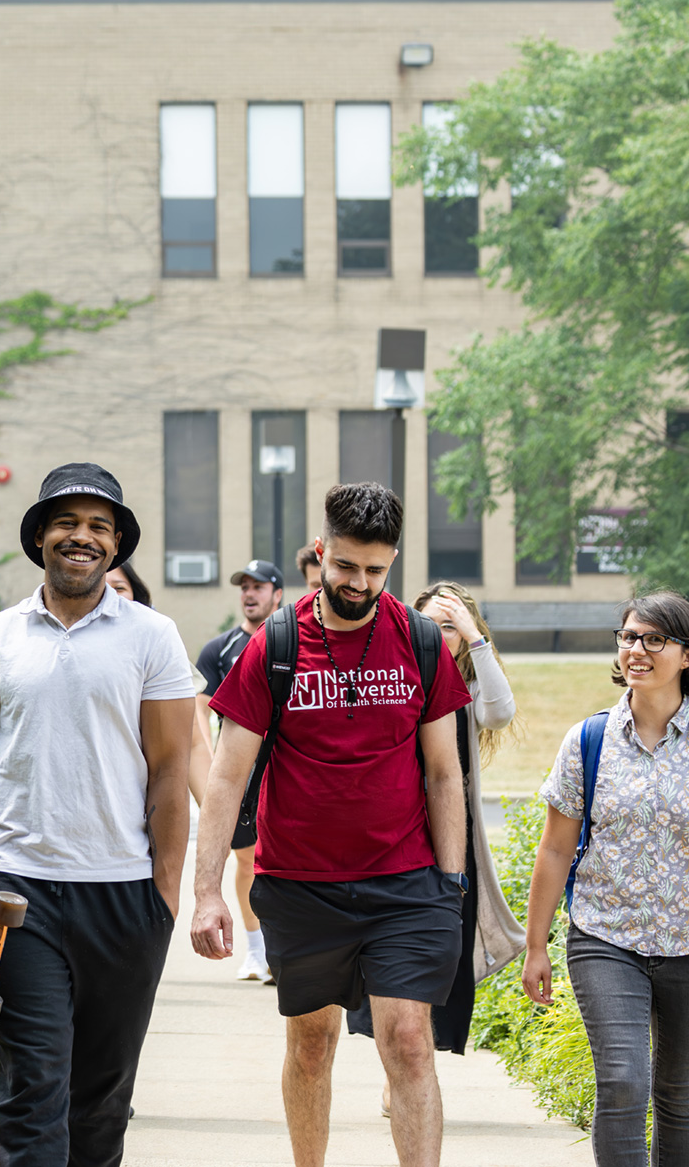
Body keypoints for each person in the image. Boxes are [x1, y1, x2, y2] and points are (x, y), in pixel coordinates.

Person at [191, 482, 472, 1167]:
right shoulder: (276, 645)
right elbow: (226, 775)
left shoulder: (420, 641)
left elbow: (445, 773)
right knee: (312, 1045)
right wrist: (206, 892)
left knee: (409, 1041)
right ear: (321, 552)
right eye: (345, 566)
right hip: (300, 884)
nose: (359, 583)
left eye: (375, 570)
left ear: (393, 560)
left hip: (406, 883)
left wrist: (451, 883)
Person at [0, 462, 195, 1167]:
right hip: (18, 897)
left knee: (102, 1099)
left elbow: (171, 769)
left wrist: (165, 899)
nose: (83, 537)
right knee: (32, 1088)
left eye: (99, 526)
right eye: (68, 523)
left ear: (116, 545)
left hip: (125, 894)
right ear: (41, 536)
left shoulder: (152, 636)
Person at [523, 590, 689, 1167]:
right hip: (606, 937)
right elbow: (556, 848)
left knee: (682, 1097)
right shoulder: (588, 740)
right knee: (622, 1082)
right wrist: (535, 946)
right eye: (628, 637)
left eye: (654, 639)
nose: (636, 649)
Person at [347, 580, 524, 1114]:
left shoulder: (466, 691)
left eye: (450, 626)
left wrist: (474, 637)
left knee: (434, 959)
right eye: (431, 624)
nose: (440, 634)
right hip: (390, 841)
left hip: (450, 845)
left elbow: (500, 712)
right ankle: (399, 1071)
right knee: (387, 961)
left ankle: (414, 1066)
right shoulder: (392, 679)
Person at [195, 559, 284, 981]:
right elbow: (199, 711)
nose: (250, 594)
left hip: (284, 771)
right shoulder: (219, 650)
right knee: (247, 860)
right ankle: (257, 951)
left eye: (258, 587)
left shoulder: (290, 642)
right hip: (242, 776)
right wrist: (211, 767)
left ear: (277, 594)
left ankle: (285, 947)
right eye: (244, 587)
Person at [106, 558, 213, 806]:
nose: (111, 597)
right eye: (102, 588)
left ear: (136, 597)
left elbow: (193, 744)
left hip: (141, 808)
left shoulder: (158, 647)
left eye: (119, 588)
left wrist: (216, 818)